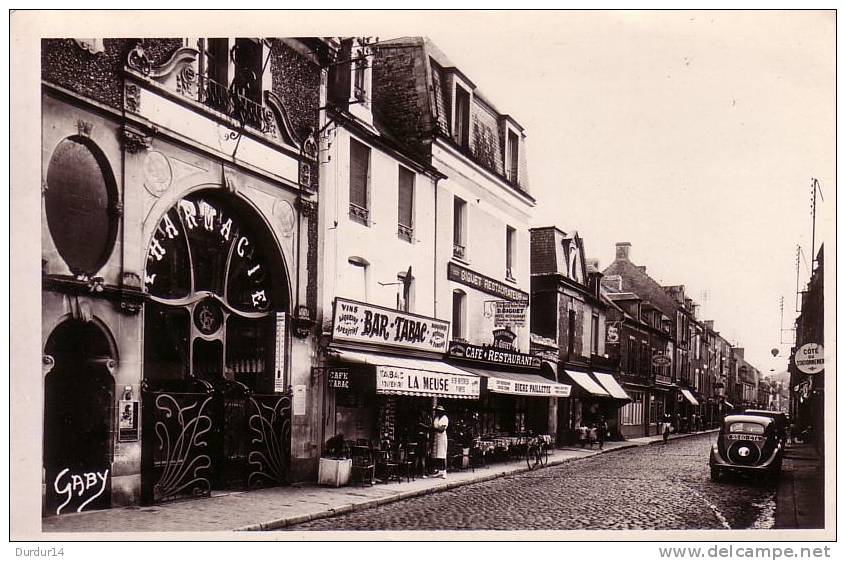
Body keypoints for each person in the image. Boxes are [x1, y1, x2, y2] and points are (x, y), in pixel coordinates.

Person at [431, 405, 449, 478]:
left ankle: (444, 471)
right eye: (437, 411)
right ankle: (439, 471)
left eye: (439, 411)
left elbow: (441, 430)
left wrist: (436, 428)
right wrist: (436, 428)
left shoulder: (445, 418)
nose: (438, 412)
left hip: (442, 437)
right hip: (436, 437)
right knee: (437, 455)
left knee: (443, 454)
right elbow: (433, 426)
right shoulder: (436, 418)